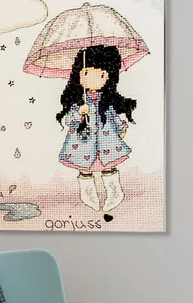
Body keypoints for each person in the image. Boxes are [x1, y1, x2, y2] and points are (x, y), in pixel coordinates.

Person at [54, 44, 135, 220]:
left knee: (109, 167)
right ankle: (88, 194)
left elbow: (113, 117)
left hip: (107, 142)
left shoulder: (106, 101)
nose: (93, 78)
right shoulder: (78, 102)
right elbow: (69, 122)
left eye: (101, 74)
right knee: (85, 170)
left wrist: (121, 128)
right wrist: (79, 112)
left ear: (108, 76)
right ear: (78, 75)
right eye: (86, 73)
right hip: (82, 143)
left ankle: (115, 192)